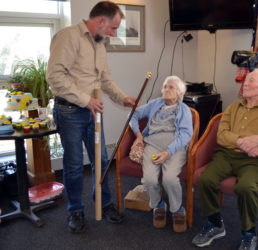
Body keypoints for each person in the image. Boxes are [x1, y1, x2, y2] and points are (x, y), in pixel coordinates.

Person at [46, 1, 137, 233]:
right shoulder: (67, 37)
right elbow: (55, 77)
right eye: (113, 28)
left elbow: (105, 79)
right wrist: (85, 100)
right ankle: (75, 210)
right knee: (75, 165)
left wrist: (123, 98)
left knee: (102, 161)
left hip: (93, 112)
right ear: (100, 21)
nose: (113, 33)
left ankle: (104, 204)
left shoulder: (99, 44)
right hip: (70, 112)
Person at [192, 68, 258, 249]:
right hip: (226, 155)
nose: (245, 84)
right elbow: (221, 136)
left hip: (255, 161)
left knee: (245, 187)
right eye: (245, 80)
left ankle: (249, 234)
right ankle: (215, 223)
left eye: (251, 80)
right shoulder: (233, 108)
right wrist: (243, 143)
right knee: (206, 179)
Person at [129, 76, 193, 233]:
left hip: (175, 149)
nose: (166, 89)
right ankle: (158, 205)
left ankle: (177, 209)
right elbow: (133, 115)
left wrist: (168, 152)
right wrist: (138, 135)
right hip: (152, 147)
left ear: (180, 94)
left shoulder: (183, 110)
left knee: (169, 178)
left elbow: (185, 135)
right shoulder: (155, 103)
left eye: (171, 87)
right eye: (165, 86)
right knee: (149, 179)